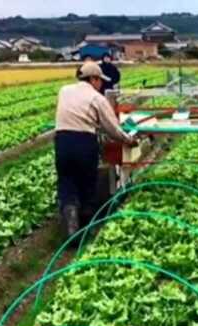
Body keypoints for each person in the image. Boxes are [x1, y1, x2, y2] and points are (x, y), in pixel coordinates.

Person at [55, 62, 136, 237]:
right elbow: (112, 129)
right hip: (84, 141)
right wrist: (129, 140)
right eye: (100, 80)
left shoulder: (64, 91)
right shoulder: (97, 98)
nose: (101, 84)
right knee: (87, 184)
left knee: (67, 181)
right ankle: (86, 228)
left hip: (62, 141)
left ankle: (70, 225)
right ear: (93, 79)